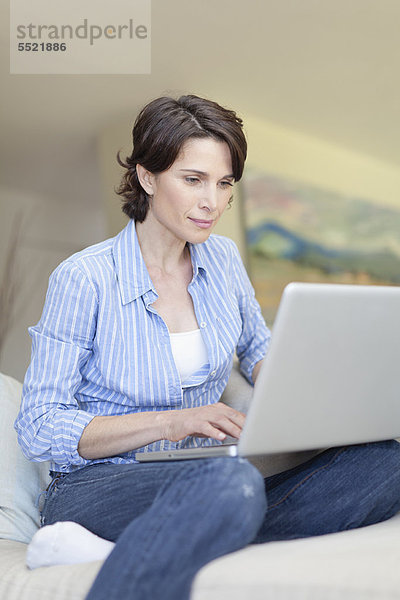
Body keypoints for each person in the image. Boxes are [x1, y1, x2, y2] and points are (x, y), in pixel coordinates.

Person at [15, 94, 400, 600]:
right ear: (147, 178)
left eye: (224, 185)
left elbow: (258, 345)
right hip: (100, 485)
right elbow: (39, 425)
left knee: (385, 461)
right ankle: (161, 539)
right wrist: (169, 423)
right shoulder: (85, 278)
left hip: (207, 473)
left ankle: (136, 545)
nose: (211, 203)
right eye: (193, 180)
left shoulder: (223, 259)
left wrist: (309, 392)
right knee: (231, 486)